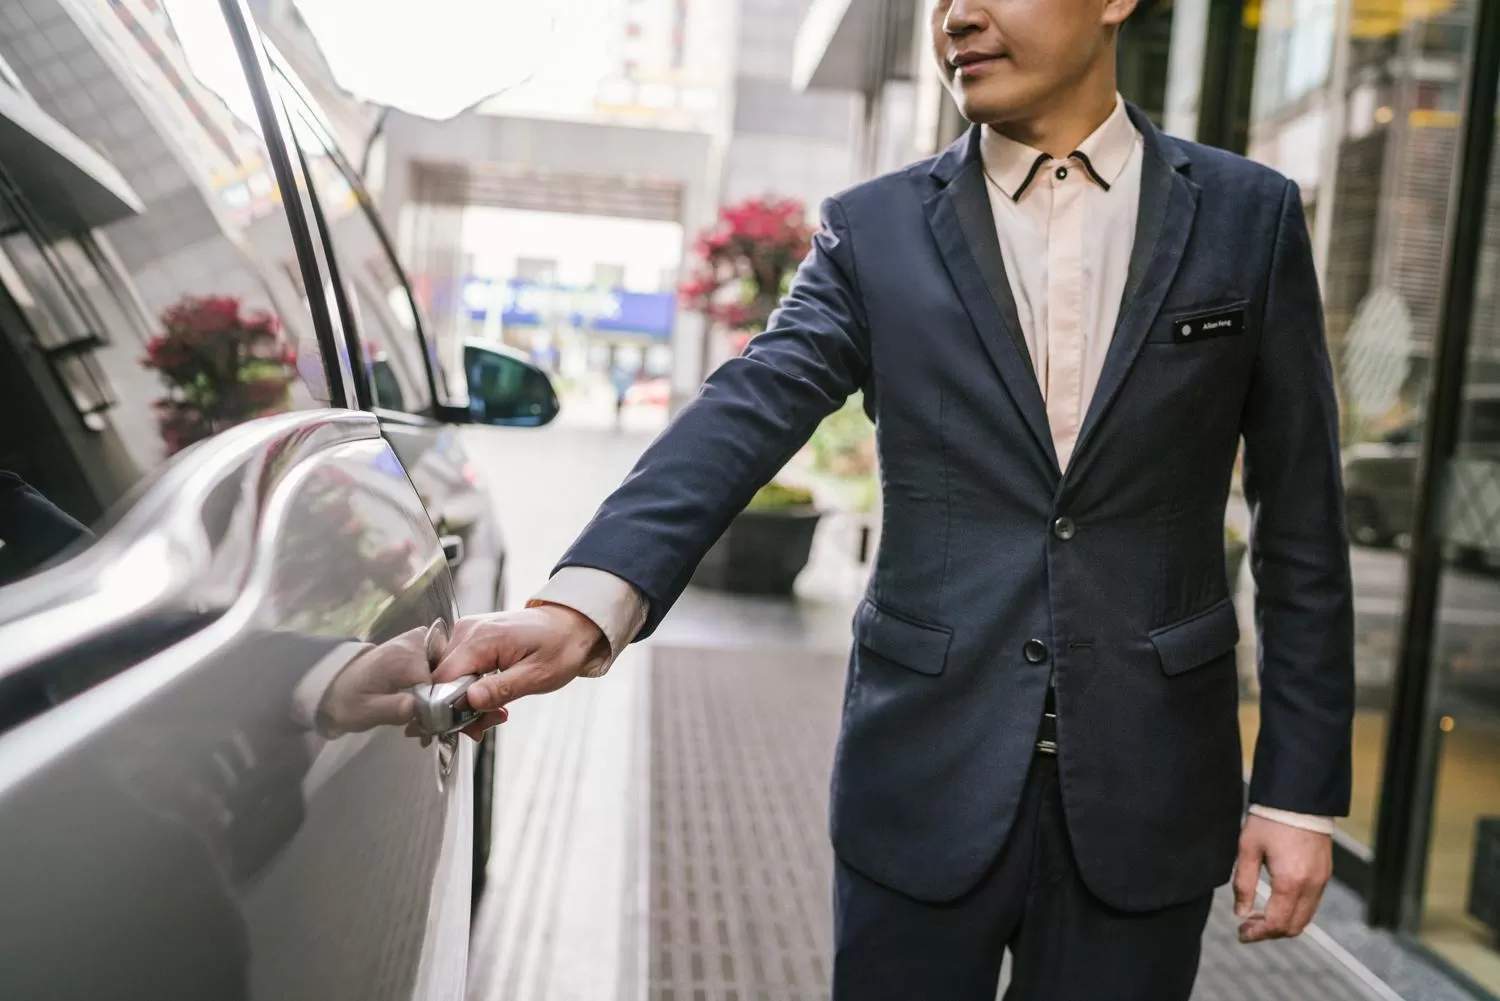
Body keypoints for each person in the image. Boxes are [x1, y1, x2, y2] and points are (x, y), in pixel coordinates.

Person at [433, 0, 1356, 995]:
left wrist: (1298, 793)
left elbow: (1301, 520)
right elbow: (747, 407)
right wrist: (585, 603)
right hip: (924, 776)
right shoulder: (875, 229)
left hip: (1152, 781)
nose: (957, 15)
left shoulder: (1247, 215)